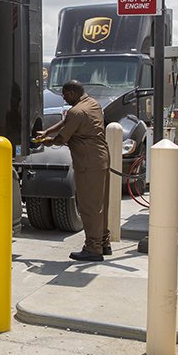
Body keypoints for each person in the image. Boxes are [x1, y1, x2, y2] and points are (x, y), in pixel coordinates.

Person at [36, 80, 111, 262]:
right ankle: (103, 242)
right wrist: (47, 130)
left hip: (88, 163)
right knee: (100, 205)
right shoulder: (92, 103)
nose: (63, 98)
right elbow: (66, 121)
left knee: (88, 207)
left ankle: (93, 249)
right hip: (101, 160)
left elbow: (62, 138)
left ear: (71, 92)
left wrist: (47, 141)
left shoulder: (76, 111)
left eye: (64, 94)